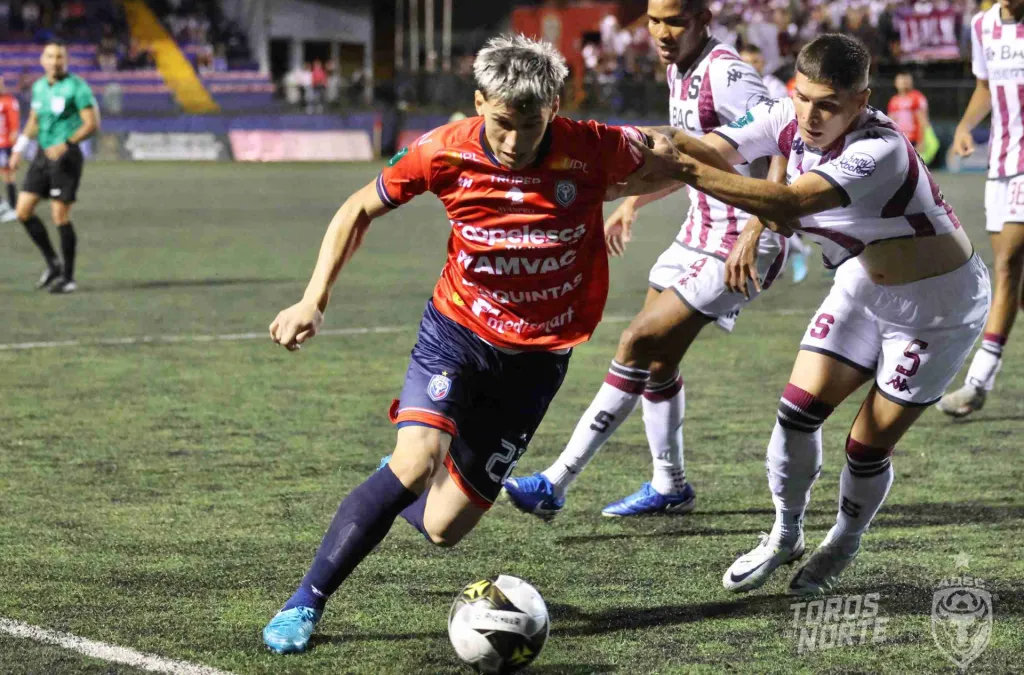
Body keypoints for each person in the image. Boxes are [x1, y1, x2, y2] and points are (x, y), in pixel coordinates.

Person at [260, 34, 691, 654]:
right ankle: (305, 602)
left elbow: (672, 155)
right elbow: (359, 207)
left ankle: (398, 479)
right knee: (416, 463)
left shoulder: (592, 145)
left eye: (533, 124)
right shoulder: (445, 150)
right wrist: (313, 299)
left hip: (538, 363)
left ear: (557, 107)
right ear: (479, 102)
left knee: (443, 529)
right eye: (503, 123)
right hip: (456, 334)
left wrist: (720, 202)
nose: (517, 141)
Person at [642, 34, 989, 595]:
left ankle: (843, 542)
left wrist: (680, 166)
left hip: (939, 308)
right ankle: (785, 533)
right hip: (860, 283)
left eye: (828, 103)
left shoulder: (880, 148)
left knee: (865, 446)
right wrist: (613, 147)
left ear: (860, 100)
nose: (810, 114)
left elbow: (788, 202)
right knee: (796, 412)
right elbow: (706, 147)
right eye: (803, 97)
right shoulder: (785, 114)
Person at [504, 0, 788, 520]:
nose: (661, 32)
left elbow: (782, 147)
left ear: (703, 20)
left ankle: (555, 480)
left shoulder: (727, 75)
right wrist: (632, 203)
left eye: (675, 21)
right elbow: (687, 162)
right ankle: (670, 485)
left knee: (637, 340)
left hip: (739, 240)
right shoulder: (682, 70)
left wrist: (756, 227)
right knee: (658, 363)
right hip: (698, 230)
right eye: (655, 20)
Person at [937, 0, 1024, 418]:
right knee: (1013, 277)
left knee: (1008, 264)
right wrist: (964, 126)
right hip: (1002, 164)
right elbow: (985, 88)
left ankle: (977, 382)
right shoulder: (983, 25)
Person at [9, 41, 99, 294]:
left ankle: (68, 278)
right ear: (42, 60)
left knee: (59, 215)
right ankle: (53, 263)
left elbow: (91, 123)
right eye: (50, 56)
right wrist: (19, 148)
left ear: (65, 60)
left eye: (59, 57)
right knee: (23, 211)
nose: (55, 61)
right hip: (41, 155)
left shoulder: (77, 87)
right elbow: (34, 120)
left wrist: (67, 143)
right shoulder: (38, 87)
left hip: (66, 157)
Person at [741, 41, 813, 283]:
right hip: (750, 155)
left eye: (755, 62)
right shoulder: (736, 87)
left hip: (777, 155)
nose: (751, 67)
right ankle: (785, 252)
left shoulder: (775, 87)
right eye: (746, 62)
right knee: (754, 207)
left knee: (768, 204)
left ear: (763, 63)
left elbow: (786, 126)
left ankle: (792, 249)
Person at [887, 71, 938, 165]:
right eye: (901, 80)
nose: (904, 82)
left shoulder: (917, 98)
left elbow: (923, 121)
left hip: (914, 139)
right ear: (896, 83)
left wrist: (921, 141)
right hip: (901, 139)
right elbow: (891, 122)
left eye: (906, 80)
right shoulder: (893, 101)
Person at [0, 78, 20, 222]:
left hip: (5, 145)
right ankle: (5, 205)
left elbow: (14, 127)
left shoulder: (9, 101)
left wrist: (14, 149)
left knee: (8, 176)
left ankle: (13, 208)